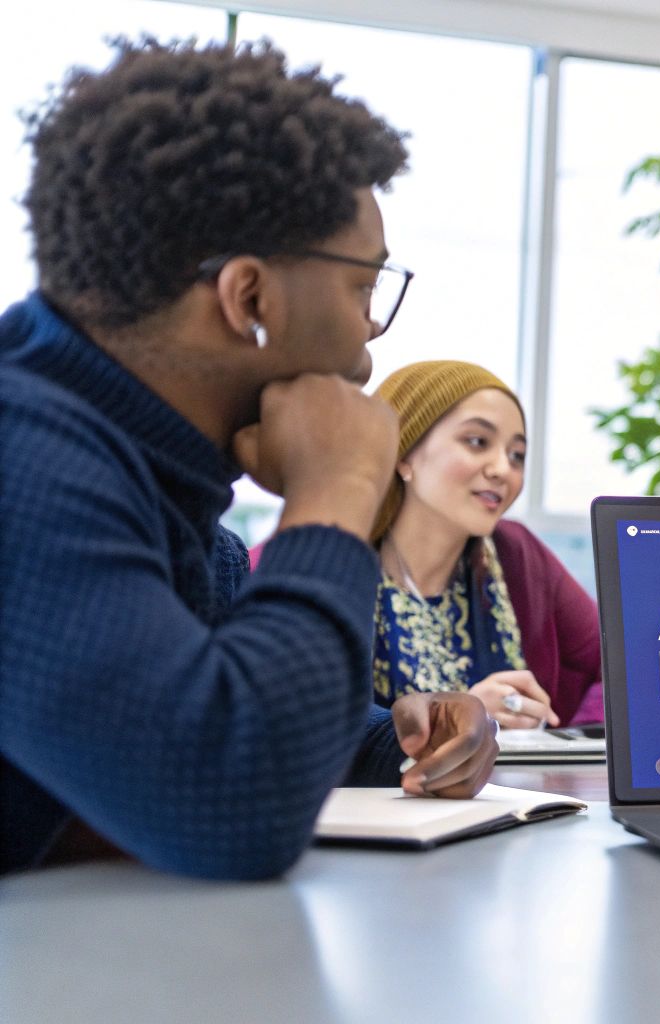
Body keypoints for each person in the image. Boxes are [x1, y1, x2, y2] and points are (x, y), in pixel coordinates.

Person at [0, 40, 497, 881]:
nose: (372, 343)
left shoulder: (153, 477)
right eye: (364, 290)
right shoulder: (22, 458)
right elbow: (234, 803)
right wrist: (338, 487)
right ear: (251, 299)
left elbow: (222, 705)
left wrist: (401, 733)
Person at [255, 360, 605, 728]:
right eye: (477, 442)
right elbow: (288, 718)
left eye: (517, 454)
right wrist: (455, 718)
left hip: (507, 786)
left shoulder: (517, 553)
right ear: (403, 451)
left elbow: (623, 666)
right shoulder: (316, 560)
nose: (502, 469)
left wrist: (562, 739)